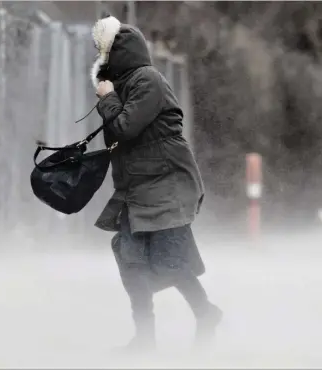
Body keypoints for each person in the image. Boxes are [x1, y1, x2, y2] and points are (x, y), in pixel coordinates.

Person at [90, 15, 223, 352]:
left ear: (116, 54)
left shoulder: (148, 80)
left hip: (167, 184)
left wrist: (106, 98)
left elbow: (125, 128)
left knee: (170, 260)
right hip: (139, 188)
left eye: (102, 52)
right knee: (130, 259)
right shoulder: (127, 85)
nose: (99, 58)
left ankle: (205, 313)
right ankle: (146, 337)